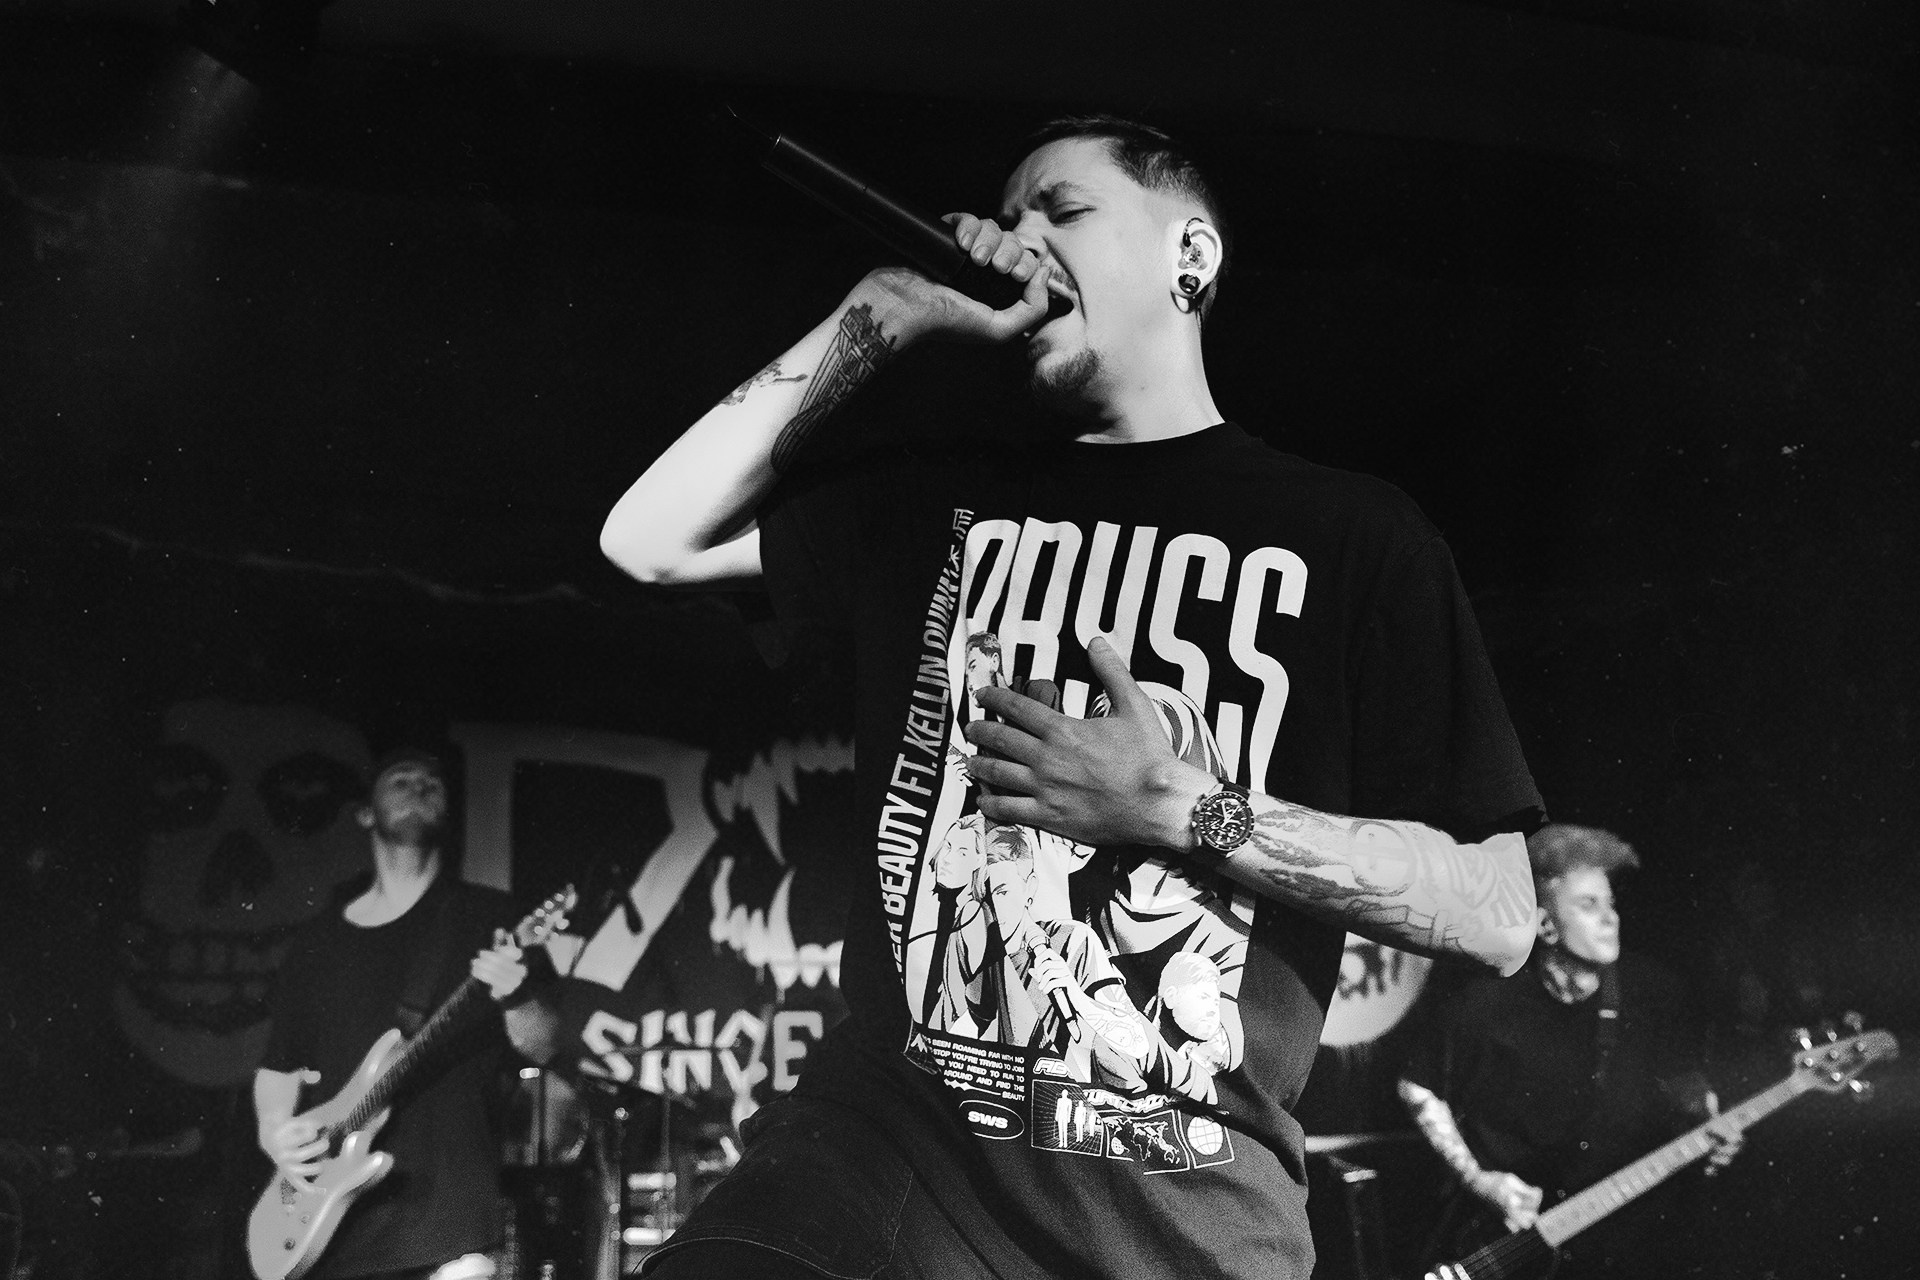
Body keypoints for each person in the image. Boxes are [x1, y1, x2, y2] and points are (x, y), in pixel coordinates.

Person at [601, 114, 1544, 1280]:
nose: (1020, 238)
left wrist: (1179, 807)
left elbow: (1500, 912)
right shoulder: (931, 502)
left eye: (1064, 209)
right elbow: (647, 540)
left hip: (1178, 1218)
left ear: (1190, 255)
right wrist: (885, 310)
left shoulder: (1355, 537)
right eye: (1009, 217)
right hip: (881, 1160)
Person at [255, 748, 559, 1280]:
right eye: (401, 780)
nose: (419, 788)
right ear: (364, 813)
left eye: (432, 783)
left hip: (451, 1219)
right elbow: (279, 1068)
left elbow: (546, 1045)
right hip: (330, 1224)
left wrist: (516, 996)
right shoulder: (319, 941)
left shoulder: (492, 919)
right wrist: (275, 1132)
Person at [1397, 823, 1740, 1277]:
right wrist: (1480, 1181)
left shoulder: (1652, 990)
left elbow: (1683, 1079)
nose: (1610, 918)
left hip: (1623, 1237)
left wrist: (1706, 1116)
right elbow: (1417, 1085)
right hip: (1514, 1237)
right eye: (1588, 905)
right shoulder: (1486, 1000)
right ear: (1545, 925)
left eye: (1610, 904)